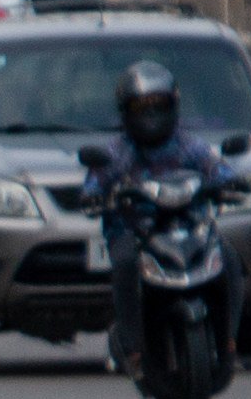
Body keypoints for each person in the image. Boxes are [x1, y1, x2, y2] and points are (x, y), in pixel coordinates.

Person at [81, 59, 234, 371]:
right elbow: (94, 182)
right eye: (142, 108)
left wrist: (227, 181)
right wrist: (96, 194)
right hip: (134, 232)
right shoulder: (117, 152)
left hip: (186, 227)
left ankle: (228, 337)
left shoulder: (188, 145)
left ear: (173, 107)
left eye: (158, 106)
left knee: (229, 258)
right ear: (126, 112)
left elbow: (215, 167)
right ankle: (133, 346)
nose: (151, 116)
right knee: (124, 263)